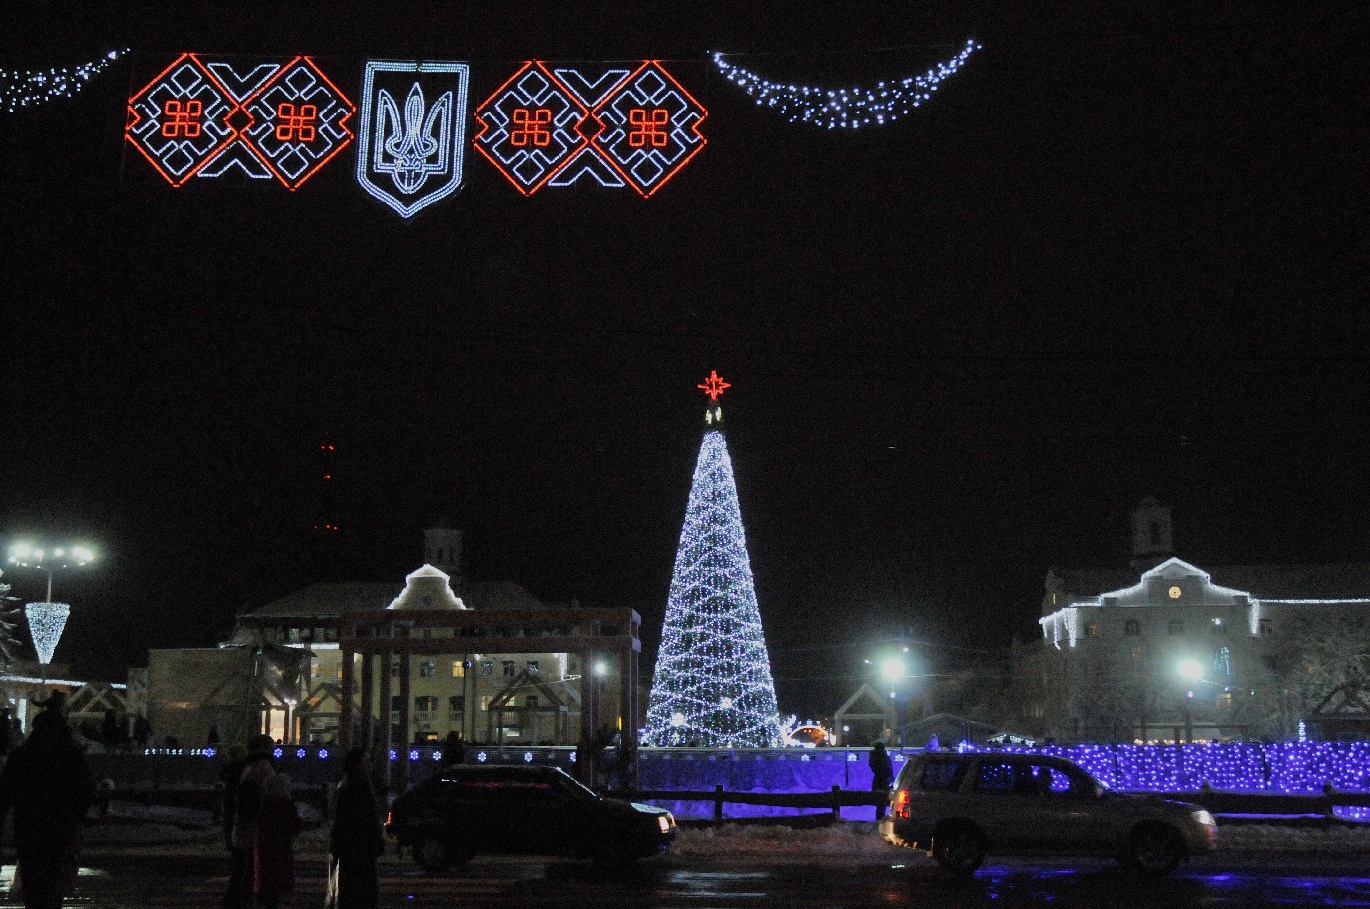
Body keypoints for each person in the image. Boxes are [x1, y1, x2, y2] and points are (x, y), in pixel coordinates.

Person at [0, 708, 94, 909]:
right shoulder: (71, 756)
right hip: (60, 829)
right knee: (53, 883)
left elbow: (5, 792)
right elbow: (86, 791)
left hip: (29, 827)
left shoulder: (22, 755)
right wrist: (76, 819)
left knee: (32, 882)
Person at [325, 747, 385, 909]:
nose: (369, 766)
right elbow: (368, 817)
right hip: (361, 845)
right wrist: (377, 838)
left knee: (349, 887)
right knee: (363, 888)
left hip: (349, 846)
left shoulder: (346, 784)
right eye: (366, 762)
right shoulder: (361, 786)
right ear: (358, 764)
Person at [227, 734, 276, 909]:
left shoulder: (249, 767)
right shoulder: (264, 769)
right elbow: (267, 798)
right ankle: (241, 902)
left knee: (243, 870)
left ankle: (235, 902)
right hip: (254, 829)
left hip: (244, 828)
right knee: (249, 871)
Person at [253, 772, 301, 909]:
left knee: (266, 883)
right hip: (281, 848)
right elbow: (294, 826)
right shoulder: (285, 804)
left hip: (264, 848)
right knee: (277, 883)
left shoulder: (263, 804)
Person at [869, 740, 894, 821]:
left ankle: (878, 819)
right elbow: (889, 770)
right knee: (882, 802)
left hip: (877, 781)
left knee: (879, 803)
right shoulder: (885, 757)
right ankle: (880, 819)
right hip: (884, 782)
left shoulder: (873, 757)